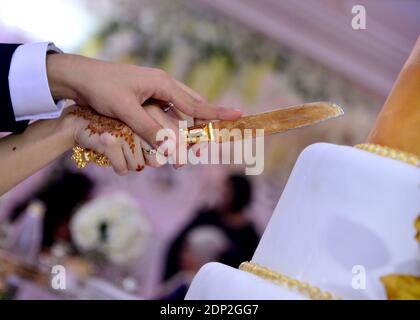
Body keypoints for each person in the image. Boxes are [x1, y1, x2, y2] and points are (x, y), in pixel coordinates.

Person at [163, 174, 260, 281]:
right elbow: (176, 245)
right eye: (222, 190)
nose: (222, 195)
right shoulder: (207, 217)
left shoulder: (249, 238)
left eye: (228, 191)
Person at [158, 226, 229, 300]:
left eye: (188, 251)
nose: (182, 255)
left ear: (202, 255)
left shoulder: (188, 287)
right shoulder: (182, 278)